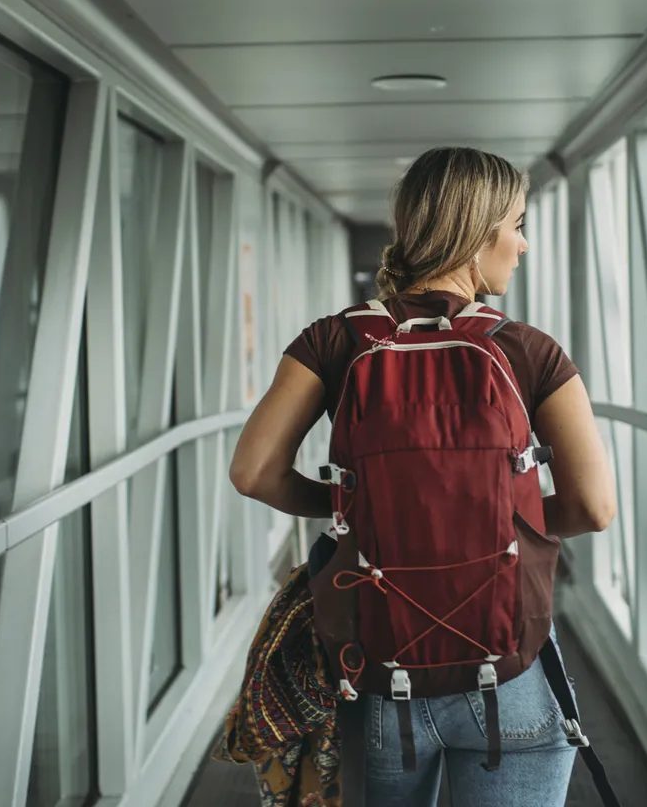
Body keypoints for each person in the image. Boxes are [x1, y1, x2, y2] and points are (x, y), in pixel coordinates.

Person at [230, 146, 616, 807]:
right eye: (517, 224)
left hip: (384, 678)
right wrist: (495, 518)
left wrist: (357, 507)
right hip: (513, 676)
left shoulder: (335, 341)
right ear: (477, 231)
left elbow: (253, 472)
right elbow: (594, 507)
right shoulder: (529, 350)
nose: (522, 246)